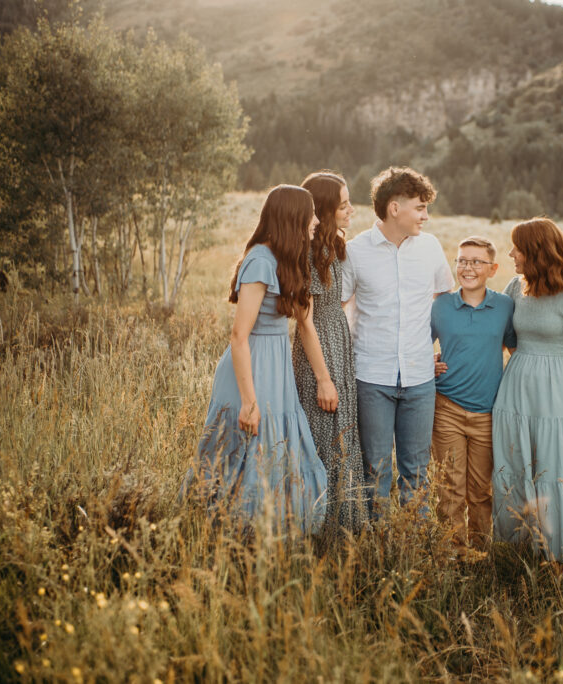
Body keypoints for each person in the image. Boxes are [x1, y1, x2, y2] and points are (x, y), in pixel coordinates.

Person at [185, 185, 328, 535]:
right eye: (311, 213)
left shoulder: (288, 259)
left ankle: (272, 532)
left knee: (279, 447)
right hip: (251, 368)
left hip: (277, 369)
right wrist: (249, 401)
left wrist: (325, 379)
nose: (316, 220)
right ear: (293, 216)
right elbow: (238, 336)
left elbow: (306, 326)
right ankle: (225, 533)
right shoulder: (260, 261)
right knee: (244, 451)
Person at [342, 167, 454, 519]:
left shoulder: (431, 247)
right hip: (371, 377)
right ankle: (377, 548)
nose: (425, 215)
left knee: (417, 471)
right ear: (394, 208)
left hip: (421, 378)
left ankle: (414, 549)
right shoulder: (355, 251)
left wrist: (434, 347)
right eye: (419, 207)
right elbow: (339, 306)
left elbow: (444, 299)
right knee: (375, 469)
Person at [492, 218, 563, 563]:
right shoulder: (516, 287)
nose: (511, 253)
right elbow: (509, 341)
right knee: (513, 462)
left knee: (557, 467)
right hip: (518, 383)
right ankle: (517, 550)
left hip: (560, 388)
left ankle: (560, 554)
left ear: (536, 250)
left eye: (517, 247)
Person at [293, 171, 367, 544]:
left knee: (344, 432)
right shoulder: (307, 252)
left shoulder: (334, 245)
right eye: (343, 204)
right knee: (324, 433)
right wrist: (323, 377)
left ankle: (345, 529)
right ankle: (320, 530)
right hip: (318, 351)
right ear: (323, 210)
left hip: (338, 343)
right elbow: (304, 322)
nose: (351, 209)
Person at [430, 236, 516, 555]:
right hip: (447, 407)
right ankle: (452, 552)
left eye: (476, 262)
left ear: (492, 269)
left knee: (480, 490)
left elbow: (514, 348)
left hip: (487, 412)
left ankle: (481, 553)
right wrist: (428, 362)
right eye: (462, 260)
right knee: (450, 488)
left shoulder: (505, 306)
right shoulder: (441, 305)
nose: (468, 267)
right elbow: (417, 343)